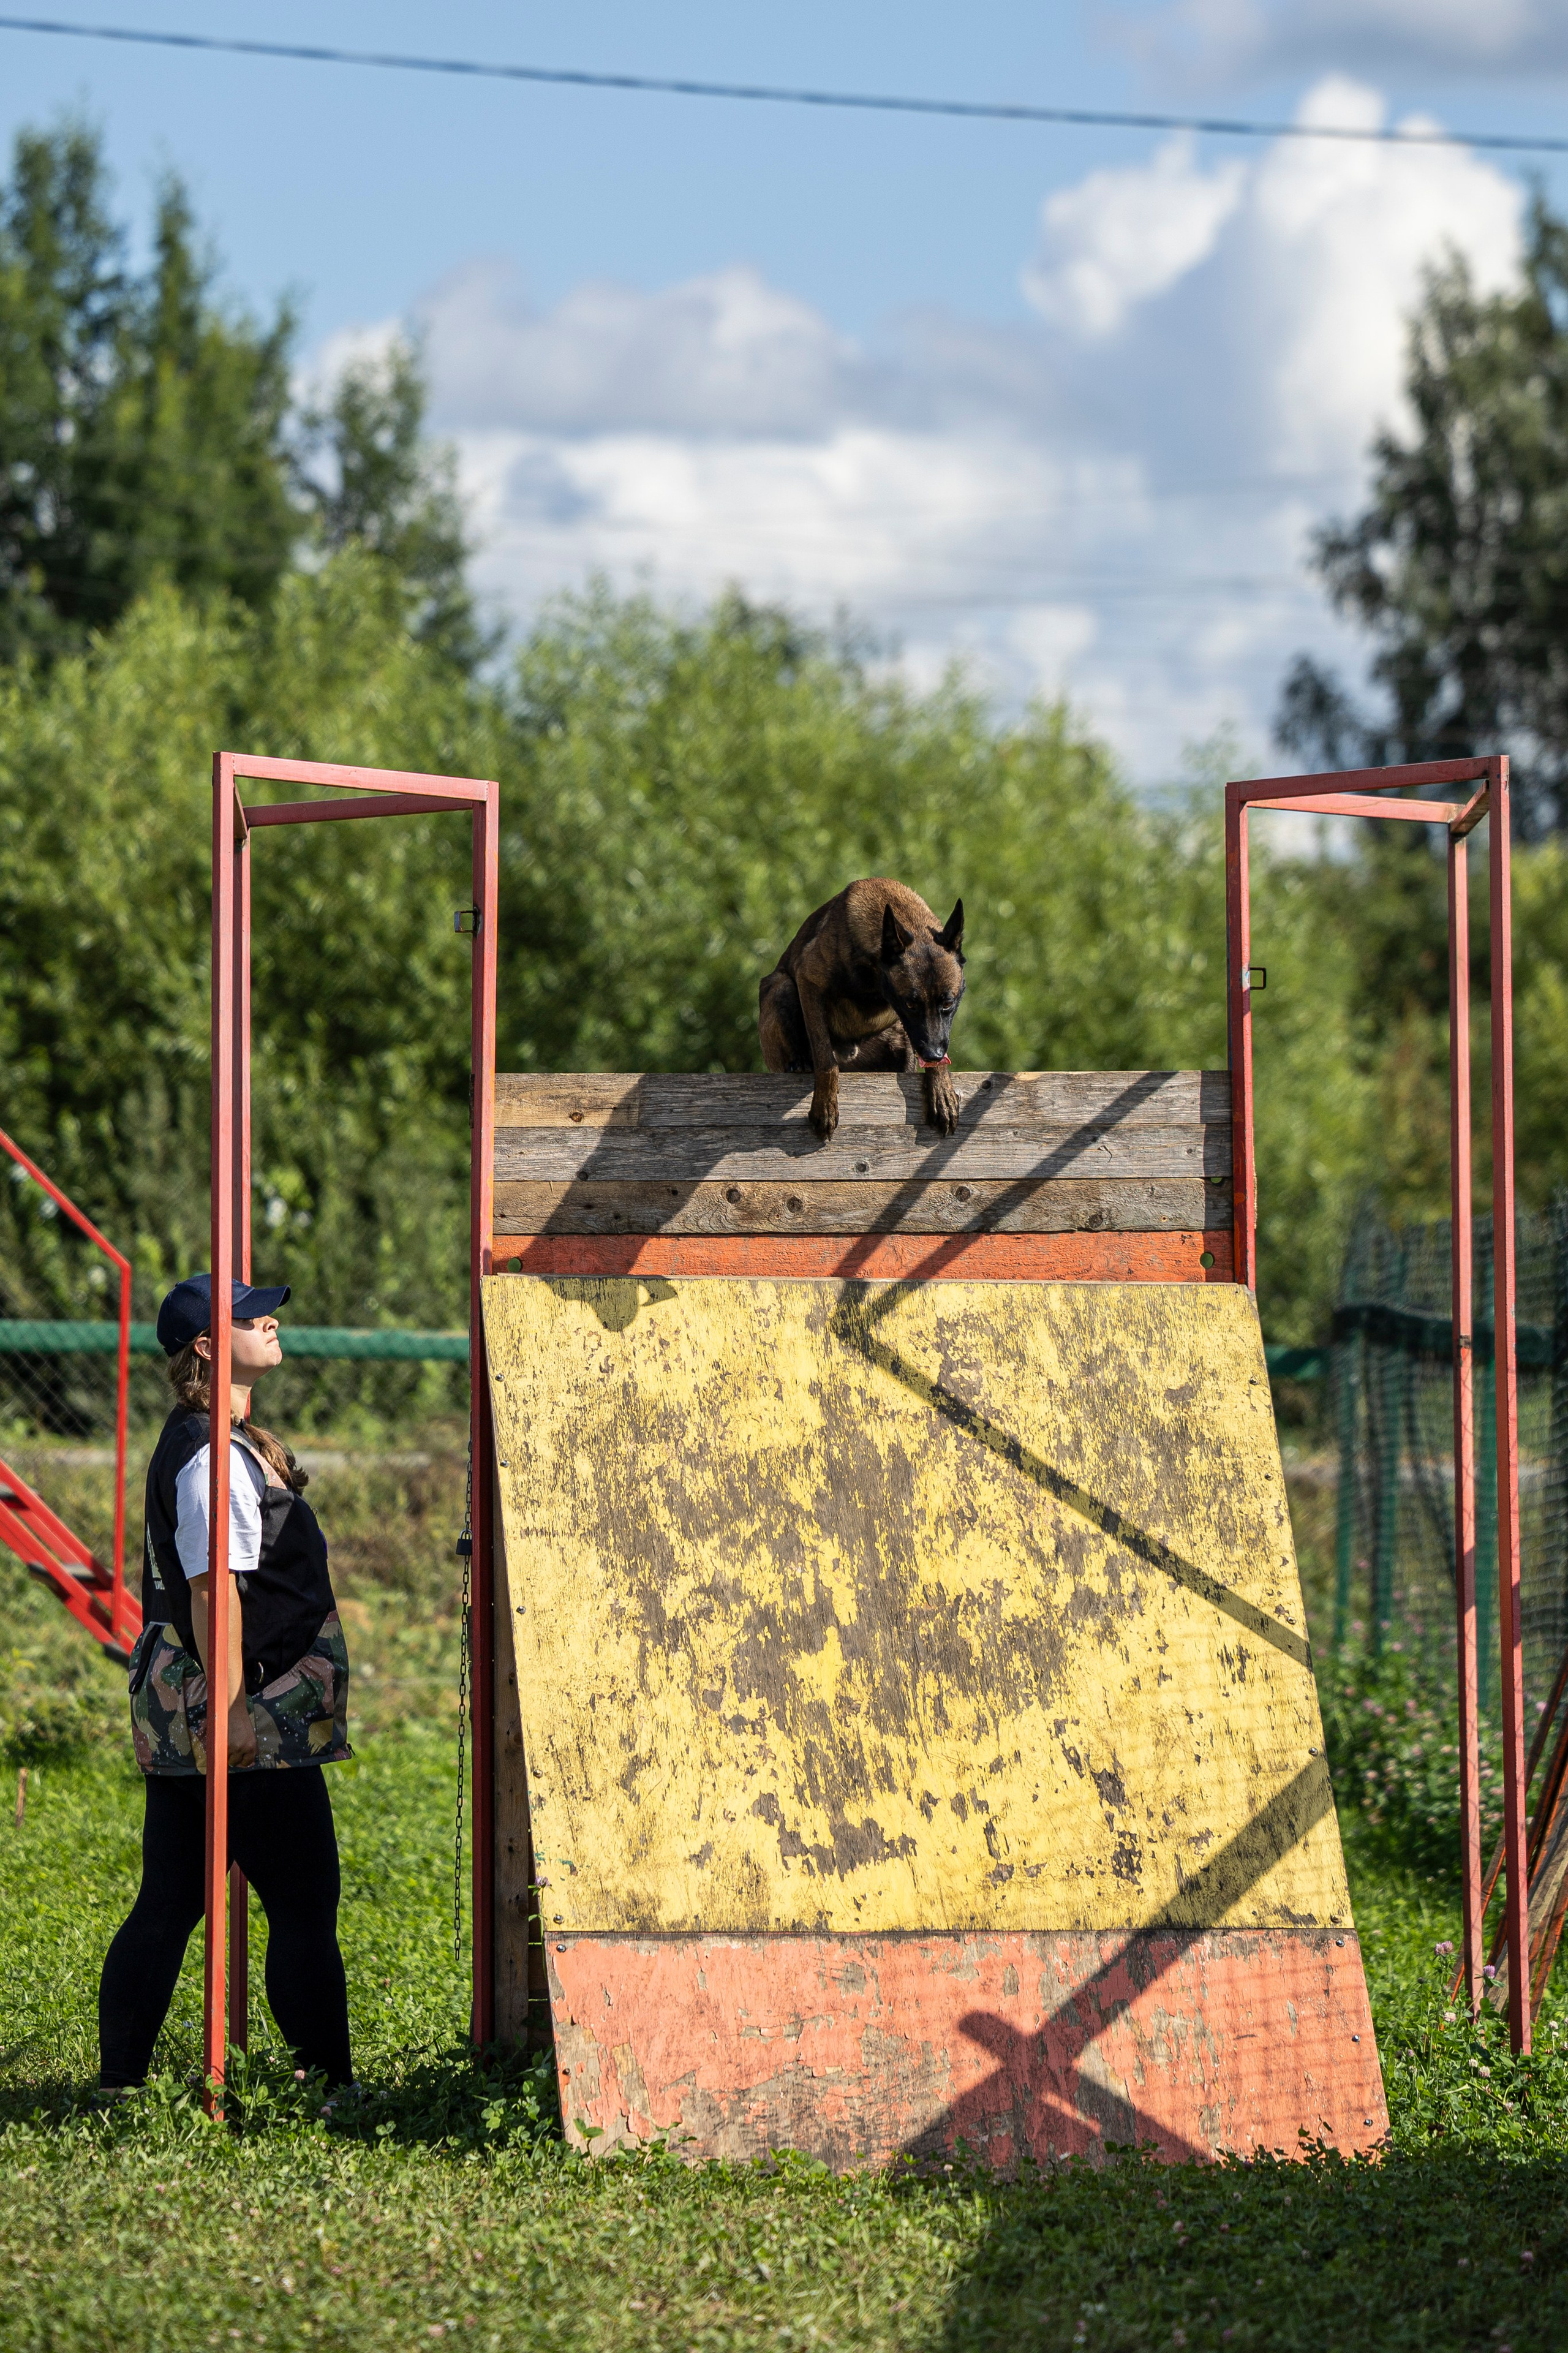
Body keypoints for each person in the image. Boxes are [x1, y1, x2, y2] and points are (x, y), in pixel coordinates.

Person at [98, 1274, 354, 2090]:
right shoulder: (210, 1457)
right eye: (247, 1314)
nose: (267, 1318)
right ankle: (332, 2084)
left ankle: (121, 2087)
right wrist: (237, 1710)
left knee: (171, 1899)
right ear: (209, 1345)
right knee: (305, 1900)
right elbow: (214, 1591)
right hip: (252, 1709)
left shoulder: (211, 1440)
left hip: (214, 1701)